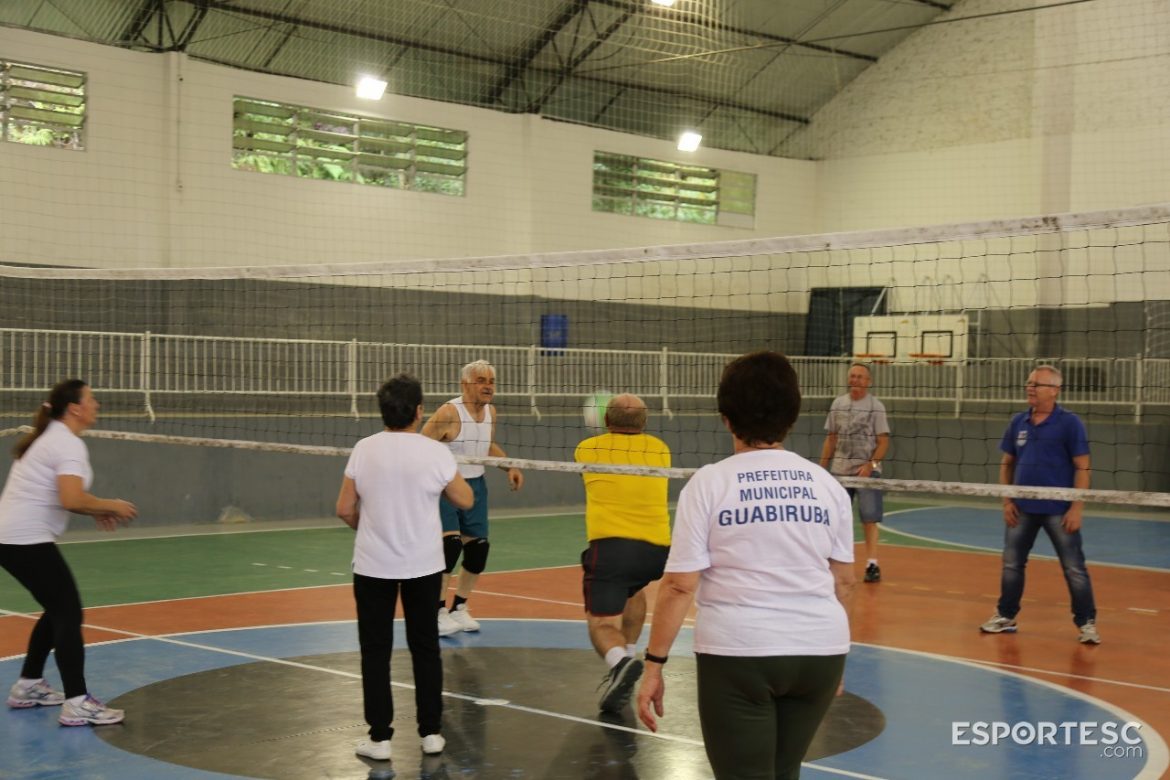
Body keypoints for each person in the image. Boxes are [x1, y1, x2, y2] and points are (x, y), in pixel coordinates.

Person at [637, 351, 856, 780]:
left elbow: (681, 586)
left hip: (740, 654)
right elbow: (844, 583)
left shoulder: (709, 483)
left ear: (725, 417)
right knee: (783, 772)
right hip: (819, 652)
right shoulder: (826, 485)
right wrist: (836, 658)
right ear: (792, 416)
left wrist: (653, 665)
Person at [336, 373, 474, 761]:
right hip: (424, 566)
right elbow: (464, 500)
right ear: (418, 411)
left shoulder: (364, 449)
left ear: (382, 411)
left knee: (375, 651)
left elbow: (344, 508)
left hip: (373, 566)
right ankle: (430, 733)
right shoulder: (435, 452)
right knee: (425, 647)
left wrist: (371, 528)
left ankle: (379, 739)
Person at [0, 379, 137, 727]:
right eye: (91, 399)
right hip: (22, 538)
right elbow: (71, 499)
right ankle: (77, 702)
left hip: (14, 537)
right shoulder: (65, 443)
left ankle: (28, 685)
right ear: (75, 408)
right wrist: (112, 505)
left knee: (57, 609)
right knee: (68, 612)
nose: (97, 404)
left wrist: (96, 510)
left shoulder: (56, 438)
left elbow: (66, 497)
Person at [980, 364, 1099, 644]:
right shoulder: (1018, 421)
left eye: (1037, 384)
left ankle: (1087, 623)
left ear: (1055, 391)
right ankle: (1005, 616)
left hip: (1059, 510)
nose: (1030, 388)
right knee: (1011, 564)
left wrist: (1076, 507)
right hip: (1022, 509)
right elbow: (1007, 463)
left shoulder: (1070, 423)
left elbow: (1083, 467)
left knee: (1074, 567)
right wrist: (1007, 499)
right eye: (1029, 383)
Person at [574, 393, 671, 714]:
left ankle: (620, 662)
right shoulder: (661, 450)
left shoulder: (586, 450)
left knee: (600, 624)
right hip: (657, 552)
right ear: (644, 423)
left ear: (605, 421)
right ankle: (627, 654)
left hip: (612, 548)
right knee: (634, 588)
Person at [421, 359, 523, 636]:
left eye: (491, 381)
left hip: (476, 484)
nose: (488, 386)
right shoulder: (448, 412)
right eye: (481, 381)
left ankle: (459, 608)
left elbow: (486, 445)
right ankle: (437, 611)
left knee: (478, 550)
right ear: (465, 384)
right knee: (450, 546)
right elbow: (419, 446)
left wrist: (509, 466)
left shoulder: (491, 411)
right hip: (446, 485)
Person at [820, 362, 889, 583]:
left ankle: (872, 564)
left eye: (860, 376)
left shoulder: (876, 407)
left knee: (869, 518)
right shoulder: (838, 404)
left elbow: (883, 441)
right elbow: (831, 438)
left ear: (868, 382)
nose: (855, 379)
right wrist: (822, 468)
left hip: (867, 472)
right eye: (852, 376)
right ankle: (831, 561)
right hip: (840, 471)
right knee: (835, 519)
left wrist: (870, 465)